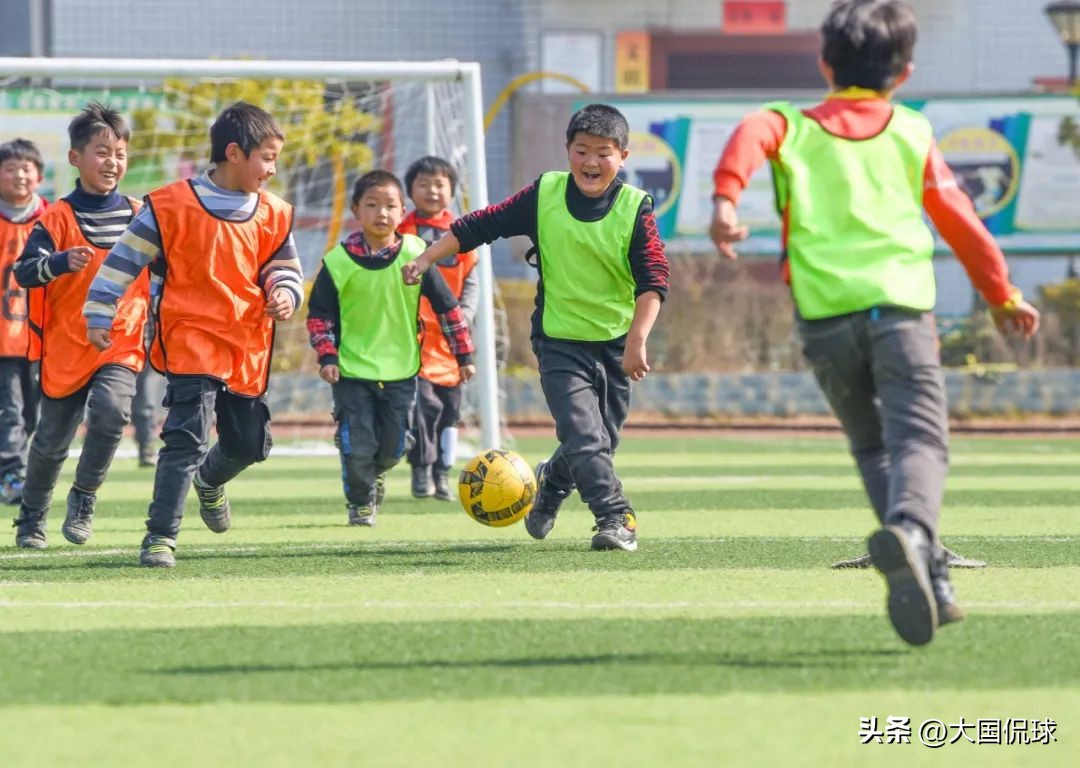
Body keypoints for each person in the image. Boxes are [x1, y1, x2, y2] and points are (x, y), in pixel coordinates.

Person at [709, 0, 1040, 645]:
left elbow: (752, 129)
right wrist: (1001, 297)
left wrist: (725, 200)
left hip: (824, 319)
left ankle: (933, 577)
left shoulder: (790, 125)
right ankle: (916, 535)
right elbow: (962, 224)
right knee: (922, 443)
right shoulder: (911, 132)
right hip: (900, 313)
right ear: (905, 73)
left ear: (824, 63)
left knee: (870, 446)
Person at [403, 103, 669, 552]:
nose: (590, 161)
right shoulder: (545, 194)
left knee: (601, 439)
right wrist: (427, 256)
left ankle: (551, 483)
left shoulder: (634, 208)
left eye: (603, 153)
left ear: (622, 156)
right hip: (560, 340)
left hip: (617, 343)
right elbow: (480, 224)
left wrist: (638, 340)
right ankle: (615, 517)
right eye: (581, 150)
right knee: (586, 437)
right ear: (567, 151)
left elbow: (654, 279)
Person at [84, 101, 303, 568]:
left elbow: (285, 270)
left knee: (249, 445)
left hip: (245, 344)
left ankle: (210, 482)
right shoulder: (168, 206)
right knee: (184, 439)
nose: (272, 168)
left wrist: (285, 292)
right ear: (233, 152)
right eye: (266, 157)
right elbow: (122, 263)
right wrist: (99, 312)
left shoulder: (276, 213)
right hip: (188, 342)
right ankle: (160, 537)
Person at [12, 103, 149, 549]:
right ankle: (31, 518)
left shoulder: (140, 215)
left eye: (121, 153)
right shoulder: (54, 219)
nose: (113, 162)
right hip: (66, 346)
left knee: (111, 414)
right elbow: (24, 271)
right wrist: (58, 263)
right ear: (76, 158)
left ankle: (84, 496)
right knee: (50, 442)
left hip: (120, 341)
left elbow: (171, 266)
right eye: (102, 152)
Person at [308, 170, 474, 527]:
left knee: (394, 447)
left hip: (401, 371)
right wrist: (327, 356)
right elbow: (319, 316)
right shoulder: (338, 262)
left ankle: (376, 475)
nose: (381, 213)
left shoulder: (418, 255)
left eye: (390, 206)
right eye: (372, 205)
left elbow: (448, 309)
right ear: (356, 210)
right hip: (352, 372)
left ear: (402, 213)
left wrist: (464, 355)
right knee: (358, 445)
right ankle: (360, 502)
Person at [399, 156, 479, 501]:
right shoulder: (400, 232)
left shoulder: (460, 234)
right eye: (424, 184)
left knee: (450, 409)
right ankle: (421, 469)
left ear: (451, 190)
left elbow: (472, 281)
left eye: (439, 184)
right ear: (410, 190)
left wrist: (463, 315)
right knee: (422, 406)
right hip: (414, 338)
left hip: (452, 340)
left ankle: (444, 473)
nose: (432, 190)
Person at [0, 138, 47, 506]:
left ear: (39, 175)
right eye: (10, 168)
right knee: (11, 409)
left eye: (25, 168)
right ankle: (12, 475)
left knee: (33, 412)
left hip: (41, 334)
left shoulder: (52, 217)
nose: (19, 175)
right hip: (3, 336)